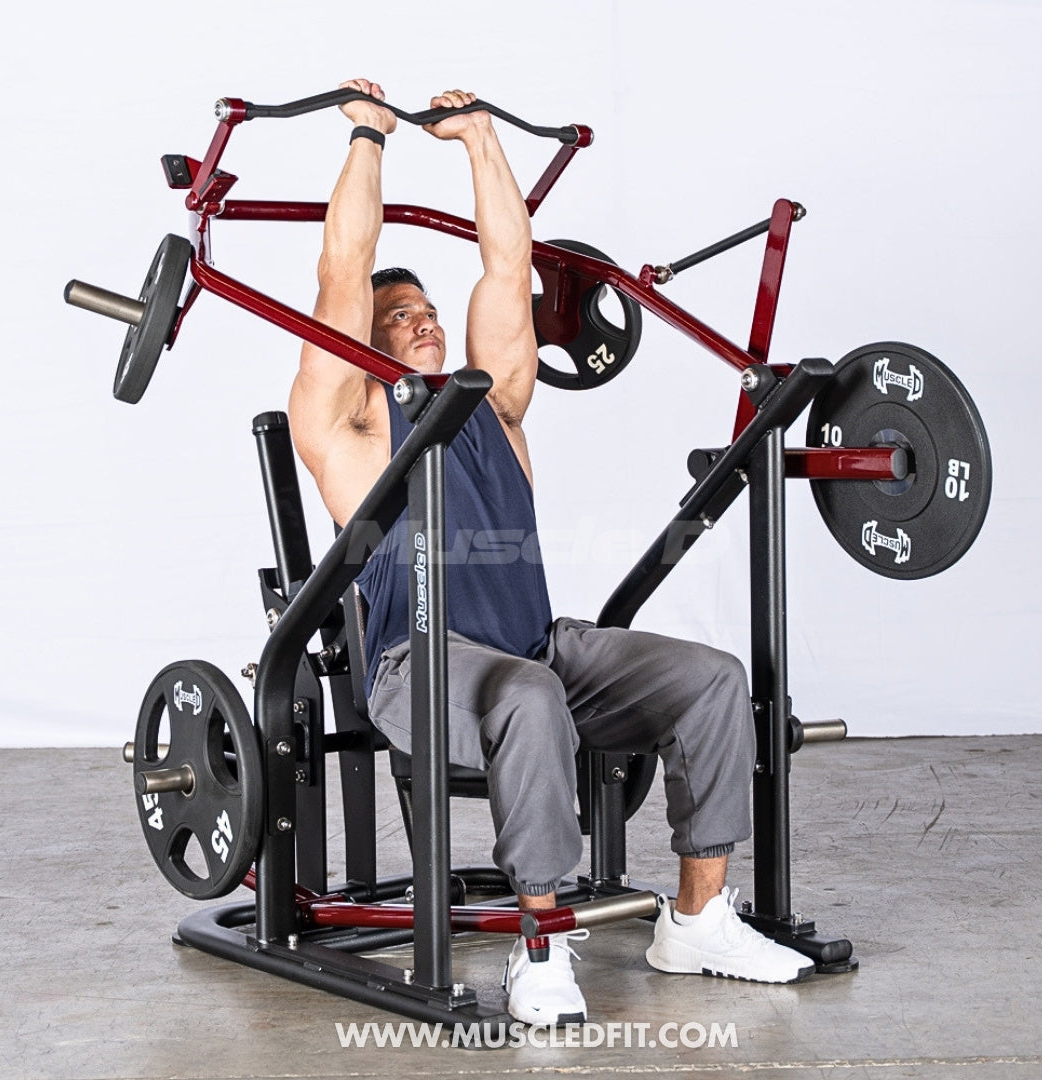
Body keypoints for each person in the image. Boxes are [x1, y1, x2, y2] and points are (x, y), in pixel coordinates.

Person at [289, 78, 815, 1026]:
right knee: (527, 696)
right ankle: (540, 945)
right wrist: (369, 137)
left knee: (710, 678)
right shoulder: (350, 426)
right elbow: (341, 271)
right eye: (398, 315)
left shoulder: (493, 405)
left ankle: (695, 918)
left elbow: (506, 262)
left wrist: (481, 140)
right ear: (359, 345)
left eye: (423, 309)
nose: (423, 319)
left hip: (536, 648)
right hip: (419, 668)